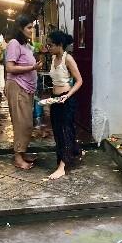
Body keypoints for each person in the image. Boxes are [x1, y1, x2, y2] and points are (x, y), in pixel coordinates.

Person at [5, 15, 43, 170]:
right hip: (17, 87)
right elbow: (10, 68)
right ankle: (18, 157)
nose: (31, 30)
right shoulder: (14, 43)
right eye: (28, 27)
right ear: (20, 29)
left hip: (27, 88)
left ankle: (23, 152)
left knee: (27, 123)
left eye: (32, 27)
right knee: (21, 123)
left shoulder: (26, 45)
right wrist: (32, 68)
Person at [47, 31, 83, 179]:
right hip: (55, 99)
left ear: (60, 45)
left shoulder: (68, 59)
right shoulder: (54, 58)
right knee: (57, 130)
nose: (48, 47)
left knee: (65, 131)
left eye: (51, 45)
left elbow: (80, 80)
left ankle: (62, 166)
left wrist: (67, 95)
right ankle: (74, 151)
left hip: (66, 99)